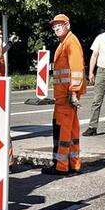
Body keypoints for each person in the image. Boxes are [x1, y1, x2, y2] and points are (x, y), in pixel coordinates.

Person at [43, 14, 85, 176]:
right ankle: (74, 164)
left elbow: (76, 68)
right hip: (66, 96)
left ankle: (61, 166)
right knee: (72, 131)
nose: (56, 28)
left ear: (67, 24)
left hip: (66, 96)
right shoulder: (66, 42)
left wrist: (73, 91)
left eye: (59, 25)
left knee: (63, 131)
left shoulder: (70, 43)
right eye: (54, 26)